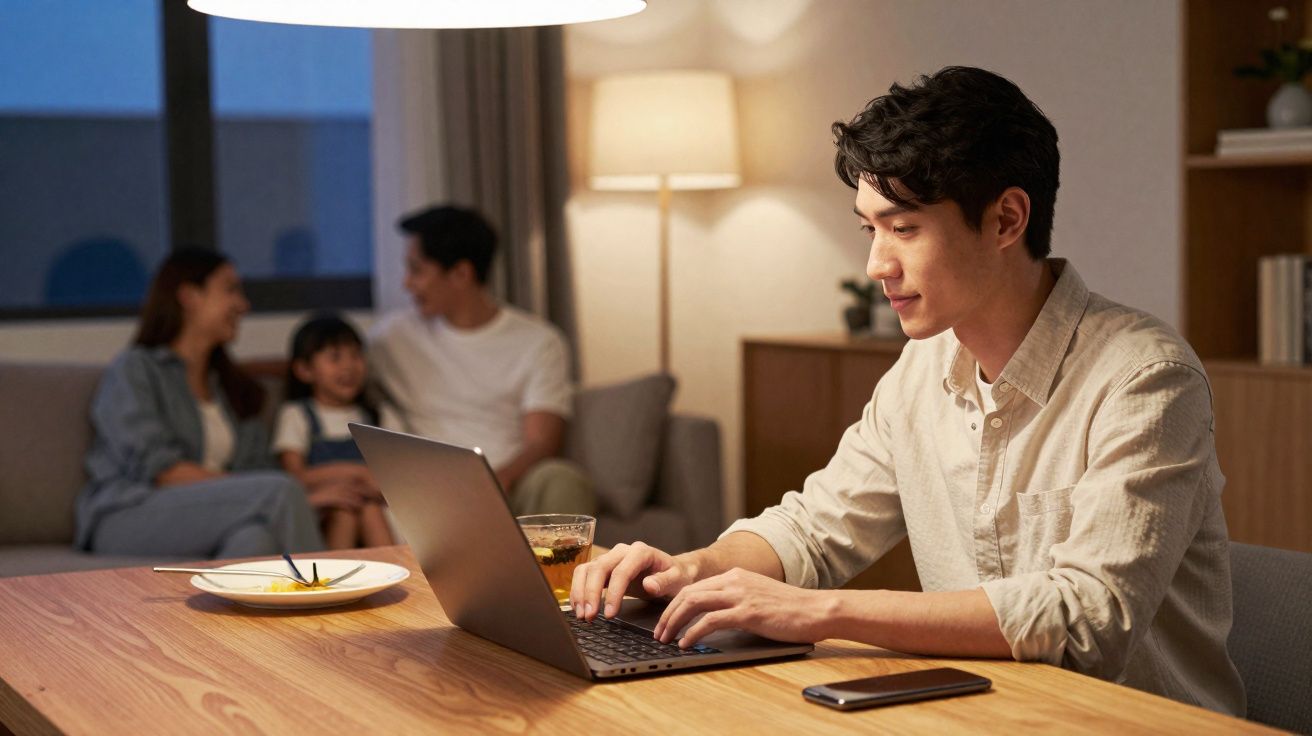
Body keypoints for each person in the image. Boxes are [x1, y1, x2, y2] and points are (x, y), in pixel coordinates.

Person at [570, 66, 1246, 716]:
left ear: (1007, 220)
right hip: (982, 712)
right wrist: (697, 570)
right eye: (870, 229)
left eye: (904, 228)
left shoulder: (1145, 381)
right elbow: (816, 528)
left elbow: (1088, 618)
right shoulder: (924, 366)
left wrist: (820, 612)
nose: (875, 266)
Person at [76, 248, 324, 559]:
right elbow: (161, 470)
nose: (243, 305)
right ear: (190, 296)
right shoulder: (135, 369)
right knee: (281, 490)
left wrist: (252, 492)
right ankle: (333, 596)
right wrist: (253, 493)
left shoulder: (232, 387)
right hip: (130, 512)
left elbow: (257, 468)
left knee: (254, 539)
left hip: (212, 516)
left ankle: (221, 608)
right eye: (231, 289)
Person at [369, 205, 596, 516]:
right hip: (429, 490)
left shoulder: (538, 341)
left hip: (508, 484)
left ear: (461, 274)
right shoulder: (393, 337)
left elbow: (541, 442)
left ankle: (566, 567)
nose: (407, 284)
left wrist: (492, 483)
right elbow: (322, 368)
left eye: (417, 270)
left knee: (562, 479)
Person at [273, 313, 400, 549]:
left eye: (355, 356)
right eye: (335, 358)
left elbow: (397, 476)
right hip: (325, 510)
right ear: (304, 370)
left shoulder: (377, 415)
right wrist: (357, 473)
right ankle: (334, 580)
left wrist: (370, 485)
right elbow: (295, 476)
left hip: (377, 506)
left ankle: (402, 575)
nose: (348, 367)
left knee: (368, 507)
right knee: (346, 509)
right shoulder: (297, 415)